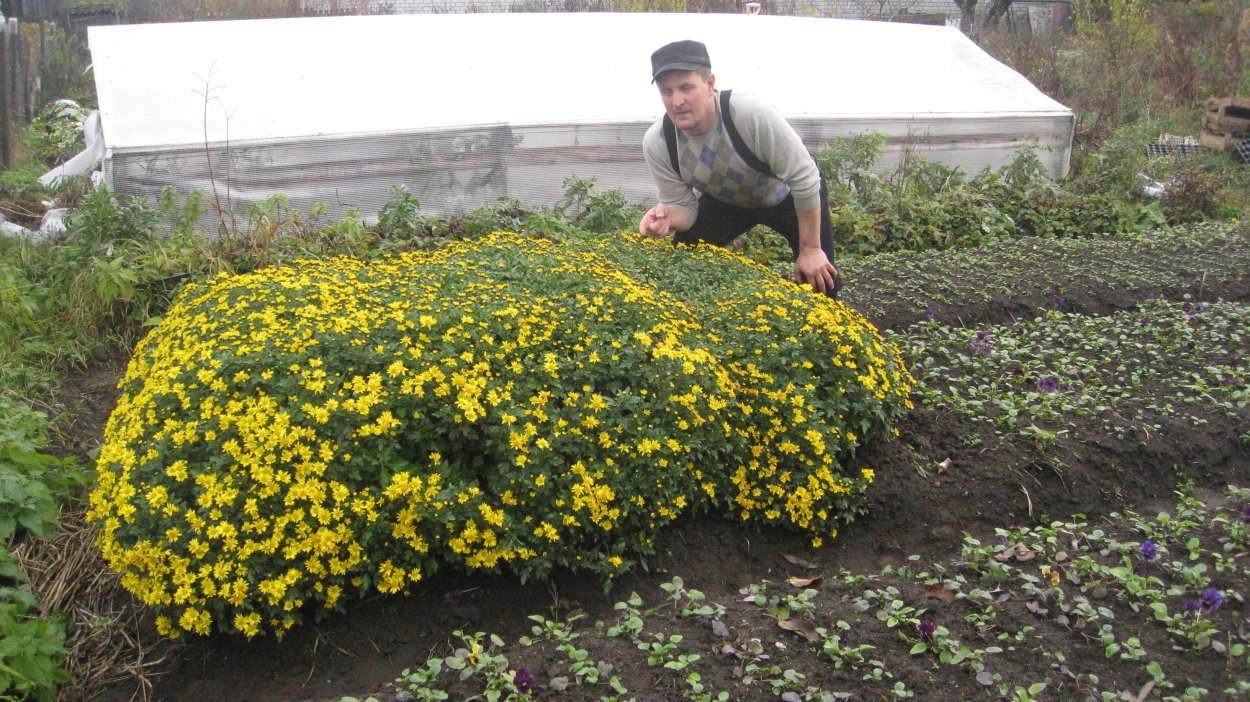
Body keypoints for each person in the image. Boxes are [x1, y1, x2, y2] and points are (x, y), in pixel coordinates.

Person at [638, 39, 840, 297]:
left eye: (686, 87)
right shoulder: (659, 142)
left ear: (710, 84)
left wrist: (810, 249)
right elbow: (684, 208)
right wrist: (669, 217)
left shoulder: (748, 113)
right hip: (728, 201)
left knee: (821, 282)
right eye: (667, 91)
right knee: (681, 262)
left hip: (787, 194)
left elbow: (804, 178)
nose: (677, 101)